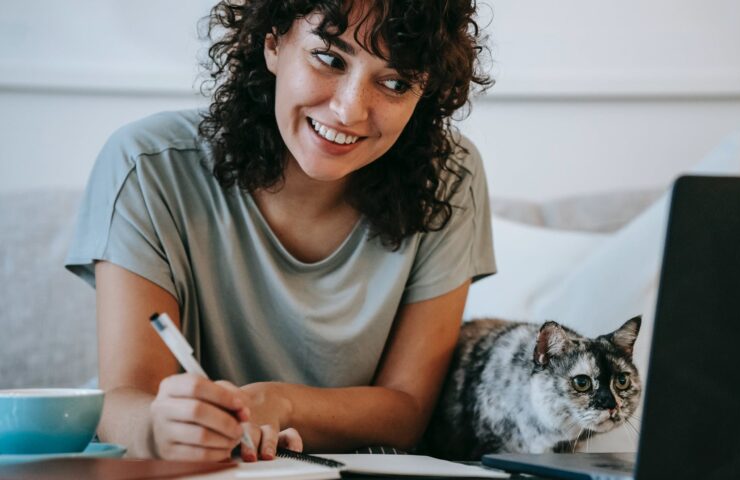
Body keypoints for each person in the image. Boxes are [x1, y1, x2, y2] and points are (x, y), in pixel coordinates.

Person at [65, 0, 494, 462]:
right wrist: (160, 429)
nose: (349, 110)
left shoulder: (451, 177)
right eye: (329, 58)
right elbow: (124, 398)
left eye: (395, 83)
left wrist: (282, 403)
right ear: (273, 42)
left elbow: (407, 411)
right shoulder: (146, 167)